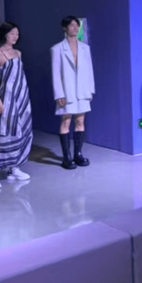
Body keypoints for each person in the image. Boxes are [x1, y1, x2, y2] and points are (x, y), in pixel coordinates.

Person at [0, 22, 33, 189]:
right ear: (5, 34)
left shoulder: (18, 53)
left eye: (17, 34)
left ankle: (14, 167)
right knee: (4, 133)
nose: (15, 37)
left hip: (22, 98)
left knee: (22, 131)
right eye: (12, 33)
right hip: (7, 99)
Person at [51, 16, 95, 170]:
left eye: (77, 25)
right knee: (66, 121)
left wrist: (90, 90)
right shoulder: (57, 49)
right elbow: (56, 73)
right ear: (65, 28)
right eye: (72, 25)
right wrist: (59, 94)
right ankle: (66, 157)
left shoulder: (85, 48)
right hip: (67, 91)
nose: (75, 28)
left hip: (82, 90)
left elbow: (89, 70)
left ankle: (78, 154)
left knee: (80, 121)